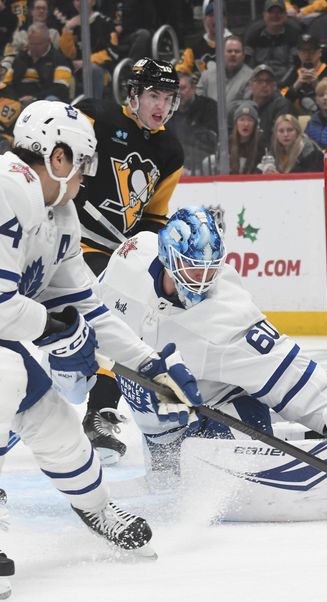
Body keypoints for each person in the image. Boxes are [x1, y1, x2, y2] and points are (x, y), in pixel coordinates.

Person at [93, 207, 327, 509]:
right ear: (166, 259)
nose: (202, 280)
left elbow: (284, 367)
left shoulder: (226, 314)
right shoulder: (130, 260)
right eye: (193, 268)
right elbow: (87, 318)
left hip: (208, 417)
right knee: (171, 447)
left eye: (211, 268)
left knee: (254, 434)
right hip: (156, 430)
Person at [0, 100, 204, 596]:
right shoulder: (8, 188)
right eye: (84, 163)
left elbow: (90, 310)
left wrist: (151, 367)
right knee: (5, 374)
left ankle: (95, 509)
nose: (87, 176)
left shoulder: (58, 215)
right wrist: (54, 325)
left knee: (56, 426)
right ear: (57, 157)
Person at [73, 58, 184, 464]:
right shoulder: (95, 115)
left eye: (168, 98)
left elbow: (155, 212)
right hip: (75, 243)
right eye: (154, 95)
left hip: (121, 250)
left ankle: (107, 411)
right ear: (134, 94)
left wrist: (145, 252)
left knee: (144, 318)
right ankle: (96, 411)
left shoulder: (170, 149)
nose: (161, 106)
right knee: (116, 319)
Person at [2, 21, 72, 103]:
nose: (34, 47)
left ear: (48, 41)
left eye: (38, 44)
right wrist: (15, 99)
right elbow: (7, 83)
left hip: (45, 102)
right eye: (31, 44)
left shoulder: (59, 60)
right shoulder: (20, 58)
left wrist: (35, 98)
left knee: (52, 98)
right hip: (19, 102)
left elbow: (61, 88)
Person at [279, 33, 327, 115]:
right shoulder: (293, 73)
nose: (307, 55)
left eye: (311, 51)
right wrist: (296, 86)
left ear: (320, 52)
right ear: (298, 53)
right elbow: (281, 100)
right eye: (303, 51)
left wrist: (318, 86)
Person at [168, 72, 218, 176]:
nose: (178, 93)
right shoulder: (167, 112)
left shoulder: (208, 107)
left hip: (204, 167)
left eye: (182, 88)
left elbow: (211, 141)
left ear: (193, 89)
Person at [243, 0, 304, 83]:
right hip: (259, 84)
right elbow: (247, 66)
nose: (275, 15)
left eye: (279, 12)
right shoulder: (253, 35)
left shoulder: (293, 35)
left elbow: (295, 66)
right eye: (271, 12)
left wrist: (282, 86)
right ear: (264, 15)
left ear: (285, 15)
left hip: (286, 85)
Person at [196, 35, 253, 107]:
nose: (233, 54)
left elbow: (247, 107)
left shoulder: (251, 77)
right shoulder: (207, 76)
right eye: (229, 51)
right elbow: (197, 103)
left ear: (243, 55)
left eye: (237, 51)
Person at [259, 113, 324, 174]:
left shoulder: (310, 152)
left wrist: (278, 177)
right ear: (276, 134)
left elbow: (307, 180)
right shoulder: (274, 151)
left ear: (297, 132)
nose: (285, 134)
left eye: (290, 130)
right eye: (281, 131)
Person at [228, 100, 267, 174]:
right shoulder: (227, 144)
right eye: (242, 120)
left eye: (250, 120)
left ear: (255, 125)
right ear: (236, 123)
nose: (246, 124)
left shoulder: (261, 145)